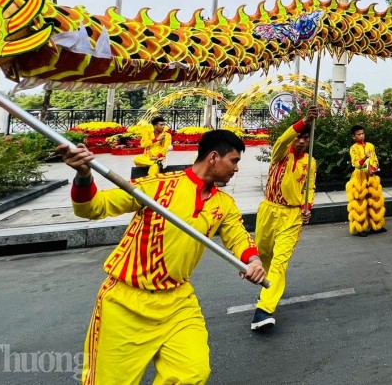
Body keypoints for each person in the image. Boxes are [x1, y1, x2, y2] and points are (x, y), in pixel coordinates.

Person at [60, 130, 266, 383]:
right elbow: (92, 208)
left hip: (178, 302)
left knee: (191, 374)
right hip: (126, 303)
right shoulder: (156, 186)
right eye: (234, 161)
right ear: (213, 157)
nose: (236, 168)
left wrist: (253, 261)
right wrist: (83, 175)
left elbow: (238, 236)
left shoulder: (224, 203)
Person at [252, 106, 319, 331]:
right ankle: (270, 287)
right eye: (299, 137)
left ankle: (264, 310)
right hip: (269, 210)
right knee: (263, 255)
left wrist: (307, 207)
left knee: (280, 262)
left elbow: (309, 187)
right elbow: (282, 139)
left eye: (305, 138)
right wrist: (304, 120)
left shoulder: (310, 162)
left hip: (292, 216)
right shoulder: (281, 152)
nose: (301, 141)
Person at [347, 125, 386, 237]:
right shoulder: (353, 148)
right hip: (359, 176)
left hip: (372, 175)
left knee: (375, 201)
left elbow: (375, 160)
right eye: (358, 134)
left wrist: (373, 169)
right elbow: (355, 163)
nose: (361, 136)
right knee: (360, 202)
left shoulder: (370, 146)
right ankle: (361, 228)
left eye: (362, 133)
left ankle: (376, 226)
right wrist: (364, 158)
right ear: (353, 136)